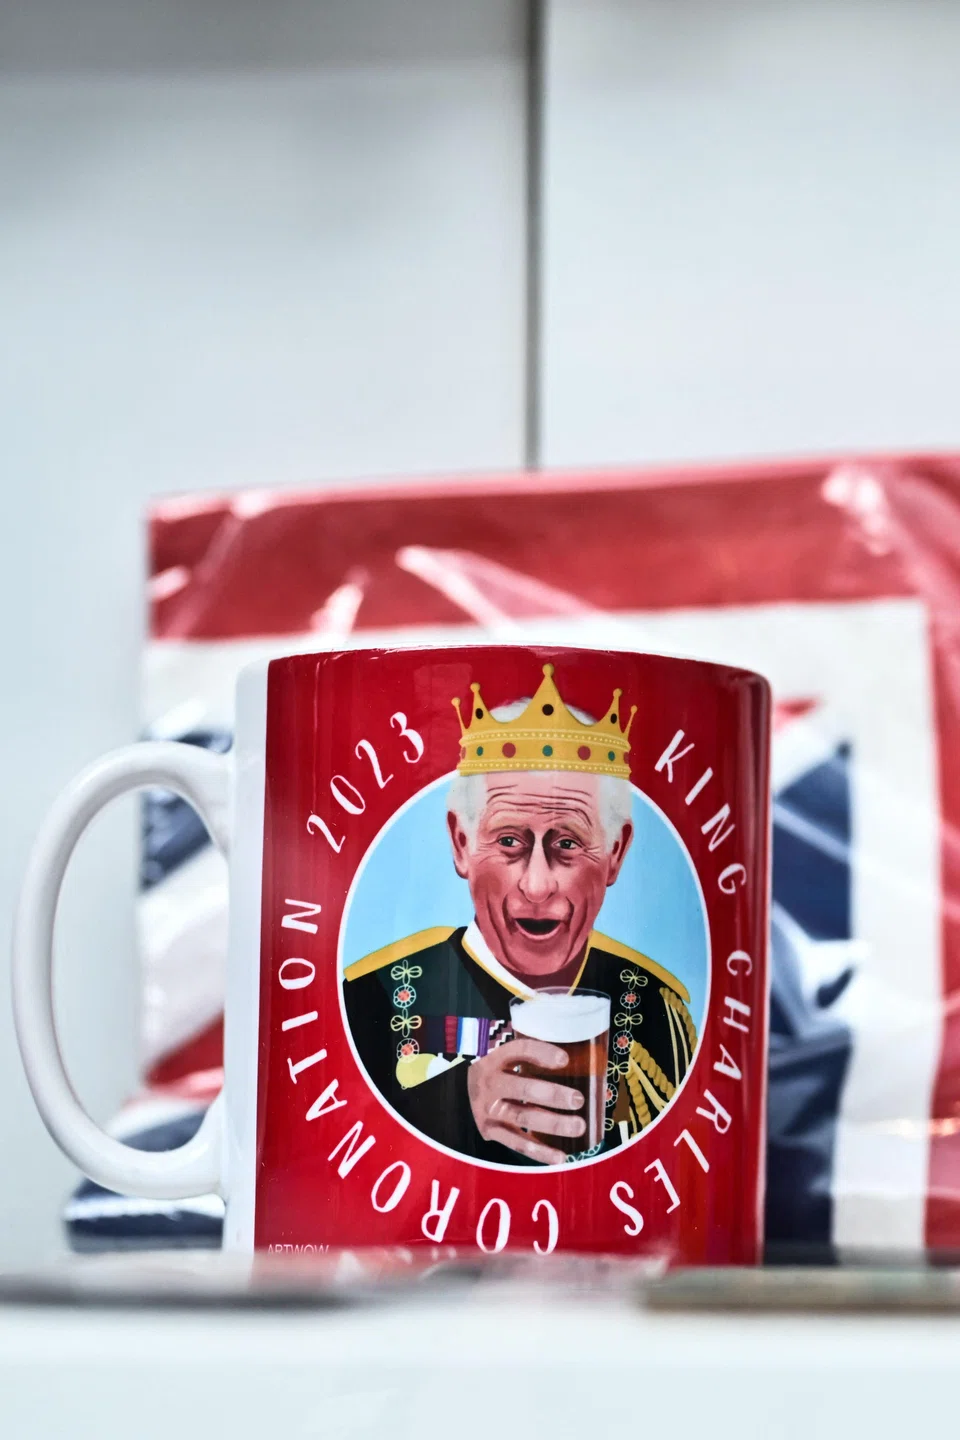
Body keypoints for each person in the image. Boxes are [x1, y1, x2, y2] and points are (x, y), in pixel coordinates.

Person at [343, 664, 696, 1165]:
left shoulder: (660, 1014)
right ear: (461, 844)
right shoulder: (369, 1005)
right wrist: (456, 1105)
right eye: (509, 841)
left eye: (568, 844)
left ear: (615, 854)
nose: (535, 885)